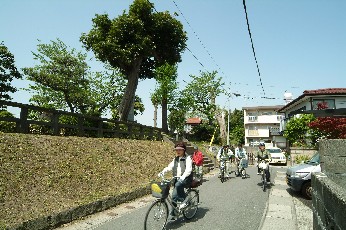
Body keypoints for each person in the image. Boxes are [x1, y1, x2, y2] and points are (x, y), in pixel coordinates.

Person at [158, 142, 193, 219]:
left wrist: (182, 178)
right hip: (177, 179)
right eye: (177, 150)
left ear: (184, 150)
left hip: (186, 178)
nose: (178, 151)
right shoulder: (175, 159)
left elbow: (188, 170)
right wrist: (163, 172)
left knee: (178, 185)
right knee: (173, 196)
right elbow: (169, 167)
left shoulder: (187, 158)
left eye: (180, 150)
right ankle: (174, 213)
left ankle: (185, 201)